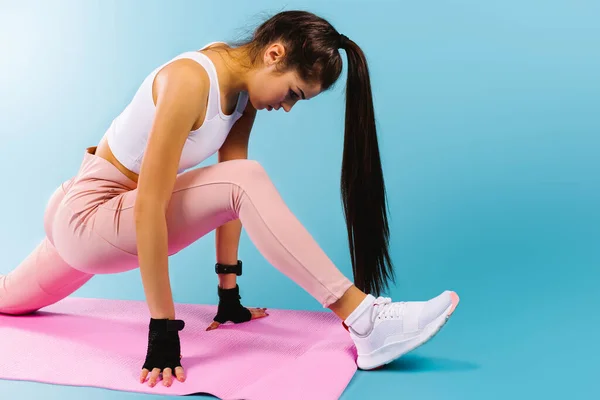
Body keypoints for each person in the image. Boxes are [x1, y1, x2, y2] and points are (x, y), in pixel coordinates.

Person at [0, 10, 459, 388]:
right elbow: (151, 207)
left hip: (84, 218)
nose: (287, 107)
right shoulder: (190, 81)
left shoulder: (241, 92)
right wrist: (163, 328)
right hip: (91, 218)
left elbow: (227, 194)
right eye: (293, 93)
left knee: (6, 301)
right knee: (246, 177)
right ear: (274, 54)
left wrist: (229, 295)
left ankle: (360, 317)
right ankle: (364, 319)